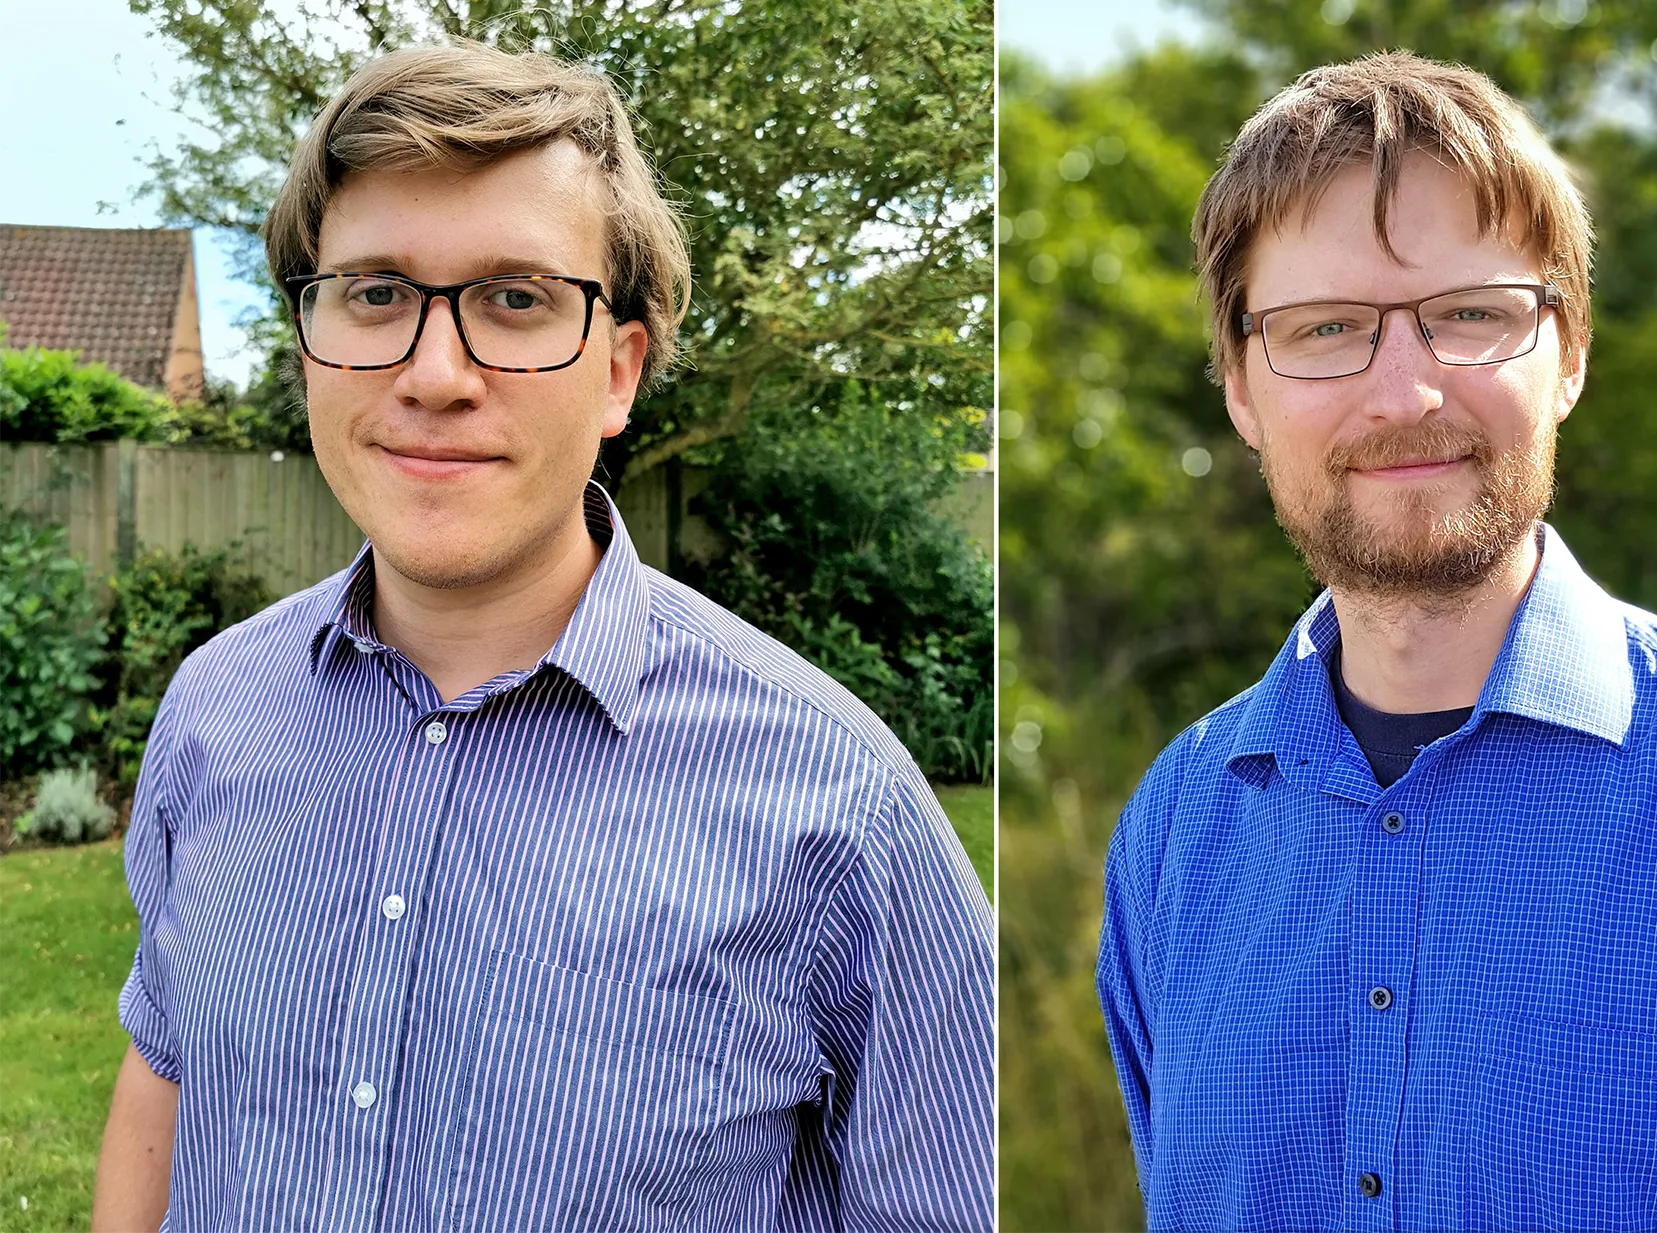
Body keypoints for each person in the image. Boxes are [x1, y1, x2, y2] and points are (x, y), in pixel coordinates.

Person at [92, 42, 994, 1233]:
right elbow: (162, 1074)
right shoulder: (215, 707)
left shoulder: (836, 805)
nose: (434, 373)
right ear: (309, 340)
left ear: (619, 371)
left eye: (515, 301)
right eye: (374, 294)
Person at [1096, 50, 1657, 1233]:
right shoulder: (1175, 832)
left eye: (1470, 316)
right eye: (1324, 330)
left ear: (1566, 353)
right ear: (1237, 388)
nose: (1405, 391)